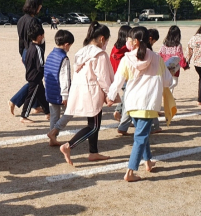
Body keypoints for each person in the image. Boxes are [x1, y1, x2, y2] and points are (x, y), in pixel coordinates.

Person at [108, 27, 172, 182]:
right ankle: (130, 172)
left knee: (142, 134)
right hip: (148, 103)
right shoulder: (157, 58)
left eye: (129, 39)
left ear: (135, 41)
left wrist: (110, 96)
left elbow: (118, 81)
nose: (127, 41)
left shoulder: (126, 59)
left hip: (131, 103)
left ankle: (148, 161)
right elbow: (168, 81)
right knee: (141, 136)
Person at [59, 22, 114, 165]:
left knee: (93, 122)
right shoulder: (99, 54)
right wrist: (110, 94)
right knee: (94, 125)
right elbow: (103, 77)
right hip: (93, 91)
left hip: (81, 90)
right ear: (102, 39)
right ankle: (68, 146)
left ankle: (93, 152)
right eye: (107, 40)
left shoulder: (81, 51)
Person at [9, 0, 44, 116]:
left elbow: (20, 40)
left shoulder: (21, 20)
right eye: (39, 6)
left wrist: (22, 55)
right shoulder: (34, 21)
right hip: (33, 53)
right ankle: (15, 100)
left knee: (36, 81)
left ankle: (36, 105)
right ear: (35, 6)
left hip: (25, 52)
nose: (40, 8)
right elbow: (39, 41)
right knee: (35, 81)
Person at [45, 30, 74, 146]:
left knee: (54, 115)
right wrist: (65, 94)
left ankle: (52, 139)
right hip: (59, 92)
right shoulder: (64, 58)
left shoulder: (50, 54)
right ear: (66, 44)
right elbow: (64, 78)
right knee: (70, 112)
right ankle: (55, 131)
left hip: (50, 90)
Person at [20, 24, 50, 124]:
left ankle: (48, 113)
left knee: (41, 94)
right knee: (31, 96)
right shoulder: (38, 49)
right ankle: (24, 116)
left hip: (32, 75)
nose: (44, 38)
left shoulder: (29, 48)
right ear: (39, 37)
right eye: (43, 36)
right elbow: (41, 65)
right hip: (35, 77)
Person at [158, 25, 189, 93]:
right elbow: (180, 56)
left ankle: (170, 95)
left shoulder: (164, 44)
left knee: (168, 80)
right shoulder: (178, 45)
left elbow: (160, 54)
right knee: (174, 82)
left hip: (165, 64)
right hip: (174, 65)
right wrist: (185, 65)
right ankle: (164, 91)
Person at [110, 25, 131, 122]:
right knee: (127, 95)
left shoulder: (115, 47)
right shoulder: (127, 49)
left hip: (116, 76)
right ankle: (119, 111)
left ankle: (119, 111)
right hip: (125, 77)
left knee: (126, 95)